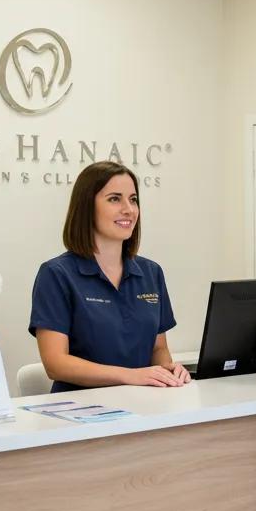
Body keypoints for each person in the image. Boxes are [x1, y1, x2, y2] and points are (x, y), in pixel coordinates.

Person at [29, 161, 190, 391]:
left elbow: (157, 349)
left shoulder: (151, 273)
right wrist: (131, 376)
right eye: (115, 199)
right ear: (87, 207)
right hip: (82, 412)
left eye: (133, 199)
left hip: (145, 406)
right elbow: (56, 363)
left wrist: (168, 371)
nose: (129, 209)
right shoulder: (56, 275)